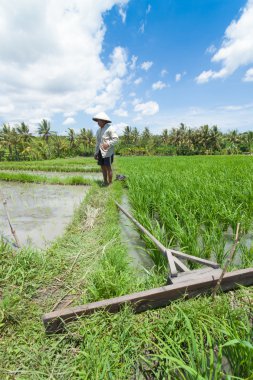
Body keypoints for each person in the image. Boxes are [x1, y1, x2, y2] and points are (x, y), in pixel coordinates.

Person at [93, 112, 118, 186]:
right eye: (97, 121)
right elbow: (98, 143)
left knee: (108, 167)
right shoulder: (98, 131)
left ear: (104, 121)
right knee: (102, 167)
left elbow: (116, 139)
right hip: (100, 151)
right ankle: (105, 181)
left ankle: (110, 183)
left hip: (108, 152)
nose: (98, 122)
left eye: (99, 121)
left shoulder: (110, 128)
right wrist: (96, 152)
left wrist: (108, 143)